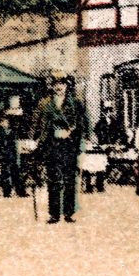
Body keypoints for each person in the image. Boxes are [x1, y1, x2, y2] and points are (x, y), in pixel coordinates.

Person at [34, 75, 89, 223]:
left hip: (69, 147)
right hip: (51, 146)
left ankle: (69, 213)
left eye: (62, 84)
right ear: (51, 86)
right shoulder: (44, 104)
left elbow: (83, 125)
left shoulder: (75, 103)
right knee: (53, 180)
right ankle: (54, 214)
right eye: (56, 84)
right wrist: (34, 141)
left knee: (69, 180)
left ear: (67, 86)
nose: (59, 87)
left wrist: (72, 135)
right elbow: (36, 124)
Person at [0, 102, 27, 198]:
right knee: (9, 171)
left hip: (9, 150)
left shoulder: (11, 129)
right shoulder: (0, 129)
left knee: (13, 170)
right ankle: (12, 191)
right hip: (6, 150)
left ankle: (16, 191)